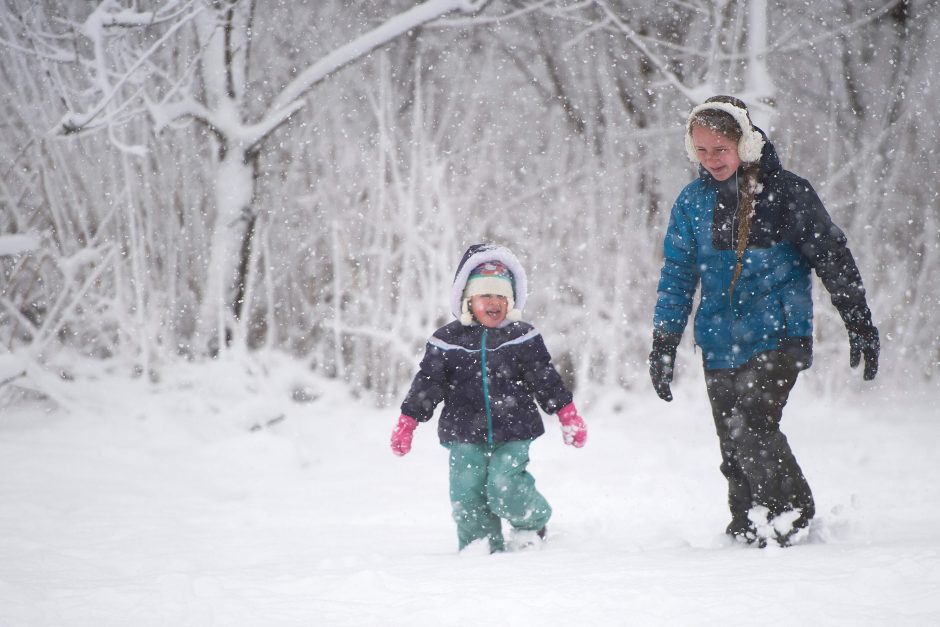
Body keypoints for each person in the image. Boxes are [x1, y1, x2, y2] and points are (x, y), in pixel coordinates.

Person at [649, 95, 880, 547]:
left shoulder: (788, 193)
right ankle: (749, 521)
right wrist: (664, 340)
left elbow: (831, 255)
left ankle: (791, 512)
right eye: (701, 150)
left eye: (721, 149)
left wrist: (858, 320)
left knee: (751, 423)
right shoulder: (693, 202)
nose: (711, 159)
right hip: (718, 340)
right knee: (732, 445)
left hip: (779, 334)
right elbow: (677, 274)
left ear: (746, 144)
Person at [390, 243, 587, 553]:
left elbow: (545, 378)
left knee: (502, 485)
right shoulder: (447, 341)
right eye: (486, 295)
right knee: (466, 493)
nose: (494, 303)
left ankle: (532, 522)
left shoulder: (522, 337)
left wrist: (567, 414)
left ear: (511, 301)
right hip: (463, 431)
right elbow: (428, 383)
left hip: (514, 429)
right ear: (468, 299)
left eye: (501, 296)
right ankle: (479, 546)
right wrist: (408, 420)